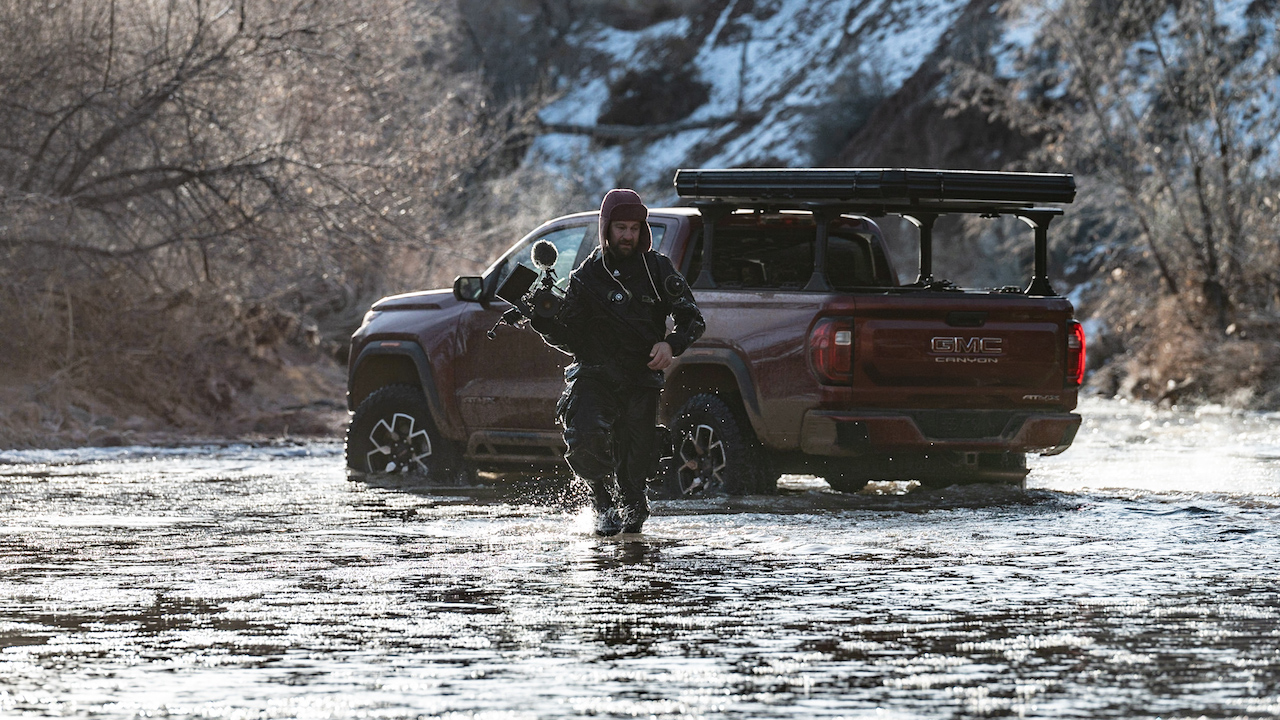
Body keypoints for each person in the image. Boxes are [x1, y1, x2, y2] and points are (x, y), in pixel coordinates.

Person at [530, 189, 705, 536]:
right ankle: (600, 501)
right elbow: (572, 340)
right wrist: (544, 321)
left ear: (643, 230)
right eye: (620, 227)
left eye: (634, 228)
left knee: (635, 481)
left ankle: (630, 512)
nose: (627, 235)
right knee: (585, 437)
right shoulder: (585, 277)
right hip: (595, 376)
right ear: (606, 228)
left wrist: (671, 344)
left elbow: (692, 319)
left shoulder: (657, 270)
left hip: (641, 379)